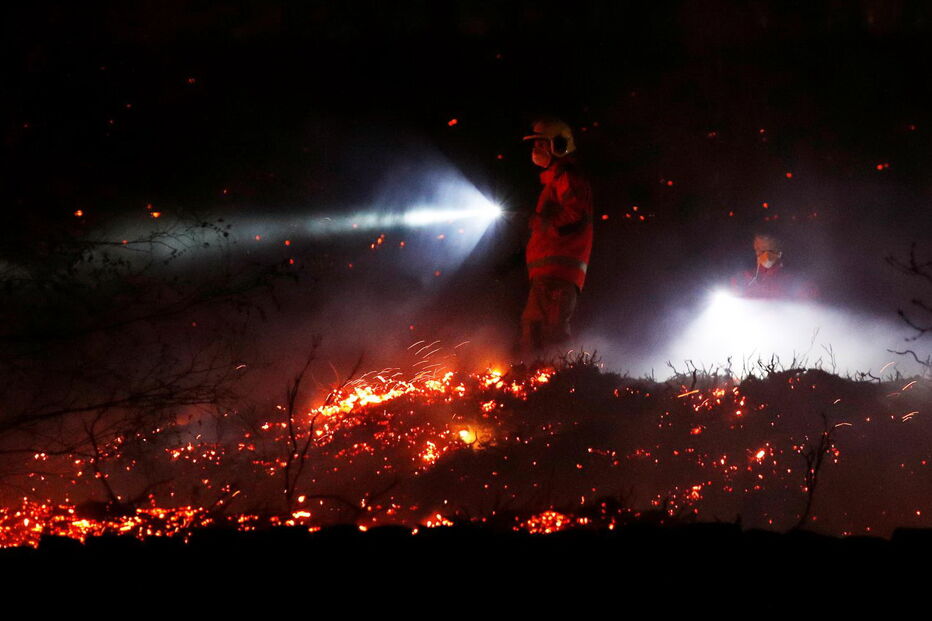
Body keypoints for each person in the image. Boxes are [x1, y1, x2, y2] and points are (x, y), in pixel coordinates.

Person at [518, 118, 594, 357]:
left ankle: (562, 381)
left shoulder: (566, 176)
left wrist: (543, 223)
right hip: (549, 273)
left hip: (558, 273)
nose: (536, 151)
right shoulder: (553, 180)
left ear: (559, 145)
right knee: (533, 329)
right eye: (535, 145)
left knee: (551, 332)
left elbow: (575, 214)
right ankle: (538, 384)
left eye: (541, 144)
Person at [731, 232, 818, 300]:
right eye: (758, 249)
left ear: (779, 251)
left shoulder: (797, 282)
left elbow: (808, 310)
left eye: (768, 250)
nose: (762, 254)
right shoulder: (742, 278)